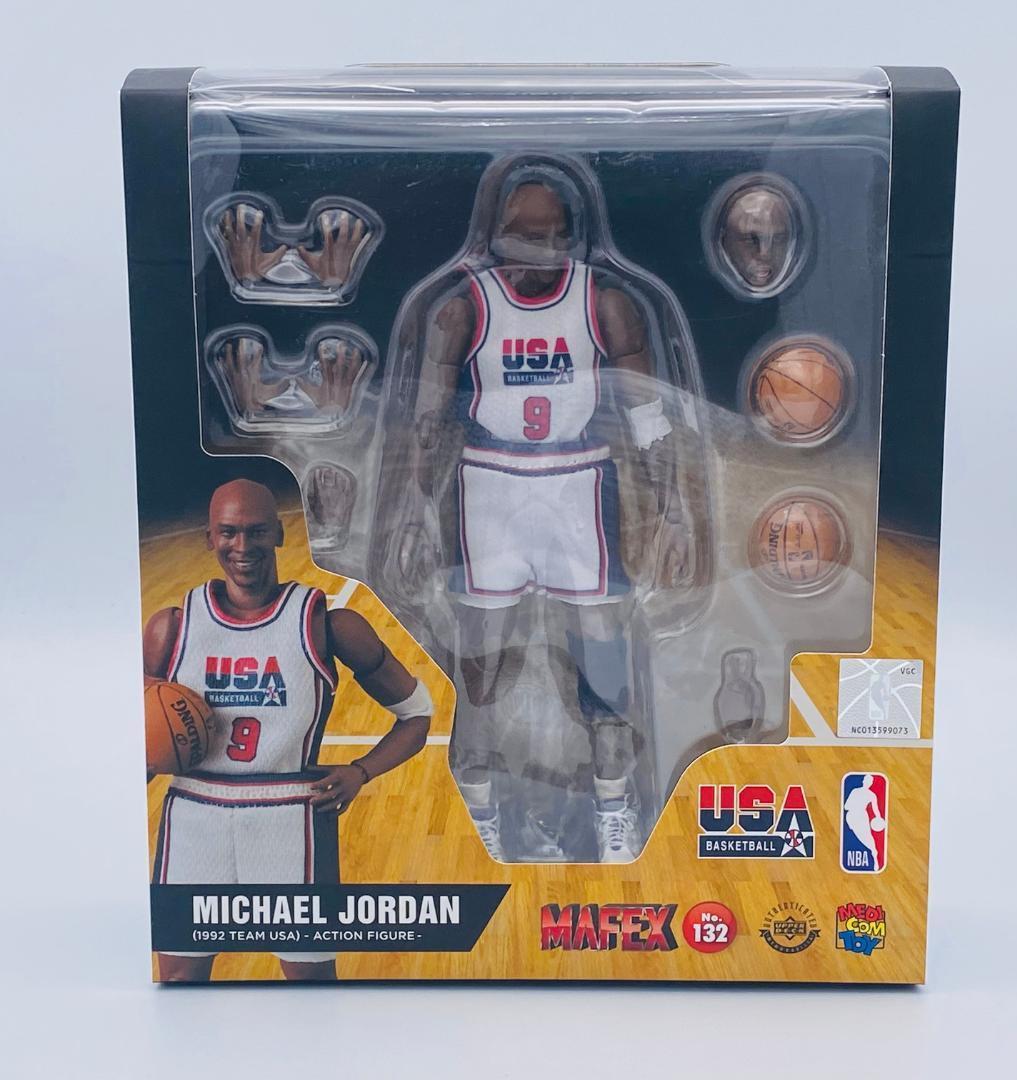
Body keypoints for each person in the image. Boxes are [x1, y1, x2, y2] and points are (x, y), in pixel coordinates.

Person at [401, 174, 691, 862]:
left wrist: (673, 508)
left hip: (577, 485)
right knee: (480, 674)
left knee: (604, 669)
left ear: (570, 236)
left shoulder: (606, 304)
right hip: (490, 489)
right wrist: (415, 510)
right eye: (524, 235)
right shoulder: (463, 308)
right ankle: (479, 814)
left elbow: (647, 411)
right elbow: (427, 421)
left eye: (550, 235)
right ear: (496, 237)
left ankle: (615, 810)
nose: (538, 248)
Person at [145, 478, 432, 981]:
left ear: (279, 534)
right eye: (228, 532)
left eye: (257, 531)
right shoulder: (172, 627)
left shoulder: (327, 625)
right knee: (178, 985)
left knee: (311, 991)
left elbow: (418, 714)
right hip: (194, 818)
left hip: (290, 821)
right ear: (209, 538)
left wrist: (361, 772)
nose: (242, 546)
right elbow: (129, 743)